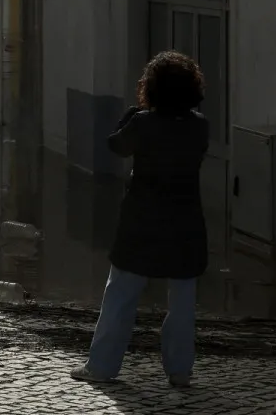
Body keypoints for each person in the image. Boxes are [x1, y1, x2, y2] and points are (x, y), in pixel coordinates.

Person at [71, 51, 209, 388]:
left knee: (120, 295)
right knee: (182, 303)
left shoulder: (143, 124)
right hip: (185, 224)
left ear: (152, 88)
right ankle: (179, 370)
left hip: (141, 223)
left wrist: (132, 113)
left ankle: (102, 366)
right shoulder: (199, 126)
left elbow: (116, 145)